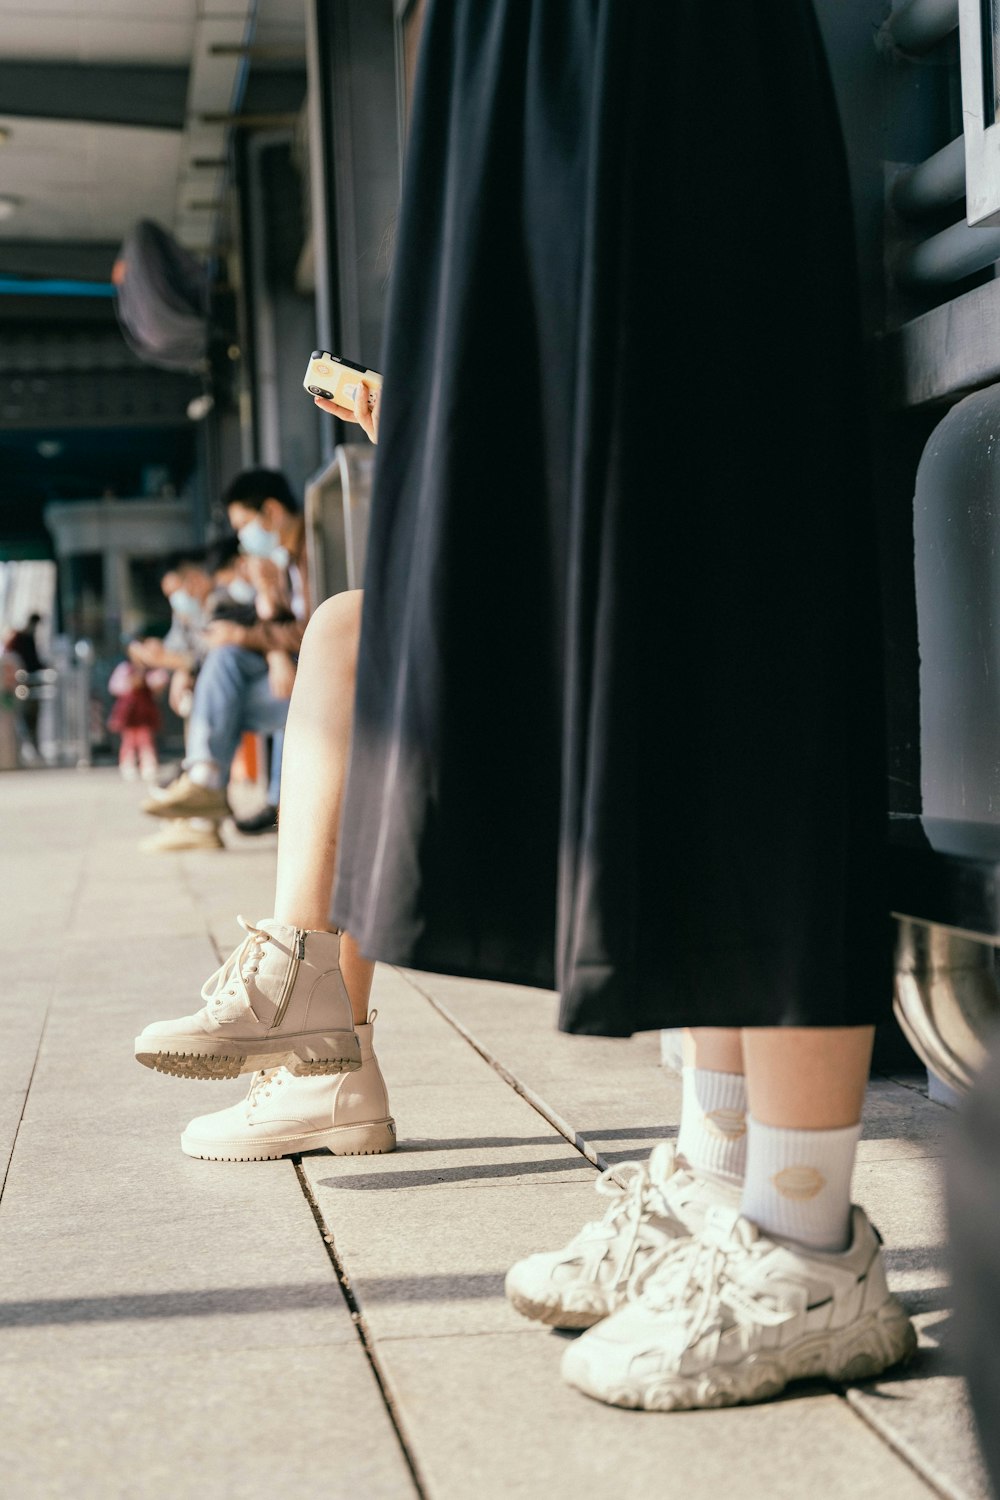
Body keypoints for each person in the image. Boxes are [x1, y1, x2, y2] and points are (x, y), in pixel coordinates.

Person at [137, 0, 916, 1415]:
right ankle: (721, 1172)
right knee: (659, 638)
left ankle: (803, 1238)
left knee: (719, 603)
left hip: (648, 48)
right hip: (534, 54)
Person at [141, 471, 306, 835]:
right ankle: (204, 782)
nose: (243, 538)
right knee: (224, 666)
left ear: (272, 511)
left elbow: (317, 627)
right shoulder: (285, 561)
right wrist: (269, 599)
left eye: (244, 524)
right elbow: (287, 627)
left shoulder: (311, 551)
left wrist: (257, 634)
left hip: (324, 685)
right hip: (296, 680)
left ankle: (204, 787)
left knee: (223, 676)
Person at [107, 660, 164, 781]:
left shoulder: (149, 670)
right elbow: (114, 687)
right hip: (129, 712)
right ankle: (128, 765)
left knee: (146, 741)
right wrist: (130, 683)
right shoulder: (125, 668)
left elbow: (160, 682)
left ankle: (148, 766)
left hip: (144, 712)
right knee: (128, 741)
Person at [4, 612, 46, 758]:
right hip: (22, 686)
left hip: (25, 684)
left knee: (29, 718)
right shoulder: (21, 639)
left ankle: (29, 748)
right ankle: (27, 748)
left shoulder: (22, 638)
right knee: (24, 717)